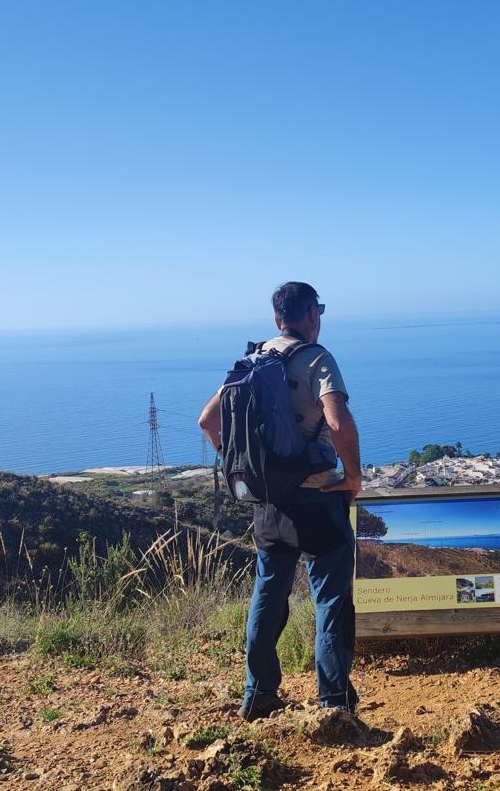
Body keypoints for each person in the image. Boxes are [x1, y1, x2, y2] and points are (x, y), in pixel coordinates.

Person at [198, 281, 363, 720]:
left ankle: (258, 695)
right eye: (318, 313)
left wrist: (244, 469)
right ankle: (333, 703)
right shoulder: (317, 358)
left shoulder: (251, 361)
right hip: (318, 498)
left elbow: (207, 421)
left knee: (268, 595)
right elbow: (337, 418)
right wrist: (353, 476)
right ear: (312, 315)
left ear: (277, 319)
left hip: (269, 503)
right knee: (330, 600)